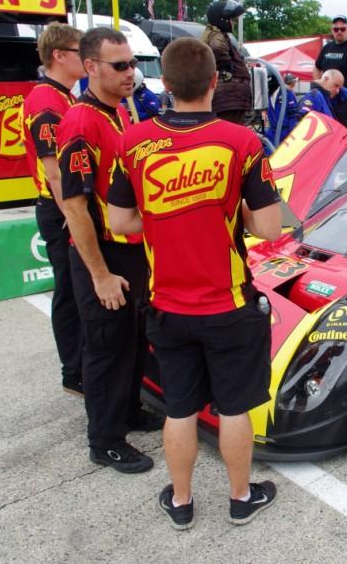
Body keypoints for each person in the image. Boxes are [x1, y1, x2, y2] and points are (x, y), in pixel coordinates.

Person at [106, 37, 282, 530]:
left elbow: (120, 221)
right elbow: (269, 229)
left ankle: (181, 503)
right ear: (212, 83)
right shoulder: (242, 142)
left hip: (167, 305)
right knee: (233, 407)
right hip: (228, 306)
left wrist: (168, 220)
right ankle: (240, 498)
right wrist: (224, 214)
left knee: (179, 408)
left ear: (165, 84)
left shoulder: (133, 141)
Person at [57, 27, 160, 474]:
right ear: (91, 67)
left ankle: (128, 413)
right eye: (121, 66)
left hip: (131, 250)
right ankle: (105, 440)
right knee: (105, 347)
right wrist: (98, 274)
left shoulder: (118, 112)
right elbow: (75, 207)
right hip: (103, 253)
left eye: (133, 63)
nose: (131, 73)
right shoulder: (80, 121)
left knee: (132, 340)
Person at [20, 22, 85, 397]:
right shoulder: (47, 101)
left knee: (76, 290)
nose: (88, 58)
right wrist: (75, 220)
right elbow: (55, 171)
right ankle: (74, 372)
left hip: (66, 207)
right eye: (80, 51)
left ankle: (78, 367)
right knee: (71, 291)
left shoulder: (65, 96)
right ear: (59, 55)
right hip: (59, 209)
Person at [313, 15, 347, 132]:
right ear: (332, 30)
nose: (339, 32)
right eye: (336, 29)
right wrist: (319, 87)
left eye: (342, 29)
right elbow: (317, 67)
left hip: (346, 102)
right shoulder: (327, 48)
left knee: (346, 133)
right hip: (327, 102)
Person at [203, 0, 251, 124]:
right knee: (231, 136)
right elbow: (216, 48)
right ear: (222, 19)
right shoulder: (216, 35)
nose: (233, 23)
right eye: (232, 19)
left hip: (230, 99)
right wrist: (227, 67)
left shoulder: (217, 35)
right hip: (228, 99)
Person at [266, 73, 299, 145]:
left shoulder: (287, 93)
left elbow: (293, 115)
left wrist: (291, 134)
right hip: (272, 133)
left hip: (285, 133)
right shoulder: (268, 94)